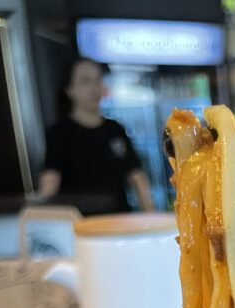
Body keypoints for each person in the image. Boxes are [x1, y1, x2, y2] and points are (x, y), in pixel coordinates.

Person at [38, 58, 153, 213]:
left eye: (98, 80)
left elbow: (137, 176)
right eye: (85, 81)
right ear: (68, 89)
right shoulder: (59, 133)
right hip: (81, 227)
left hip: (120, 223)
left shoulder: (115, 129)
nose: (94, 88)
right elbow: (50, 182)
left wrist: (150, 214)